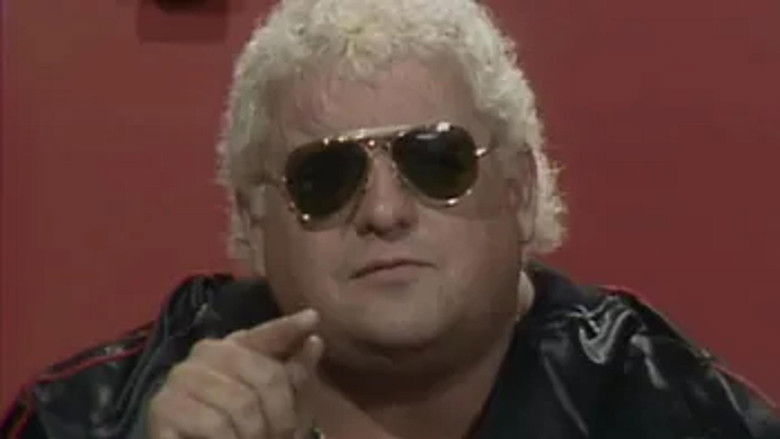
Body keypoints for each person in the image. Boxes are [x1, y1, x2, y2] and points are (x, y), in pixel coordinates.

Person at [2, 0, 778, 437]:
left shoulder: (682, 416)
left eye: (436, 161)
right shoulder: (85, 421)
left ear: (520, 190)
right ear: (252, 221)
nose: (382, 211)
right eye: (325, 177)